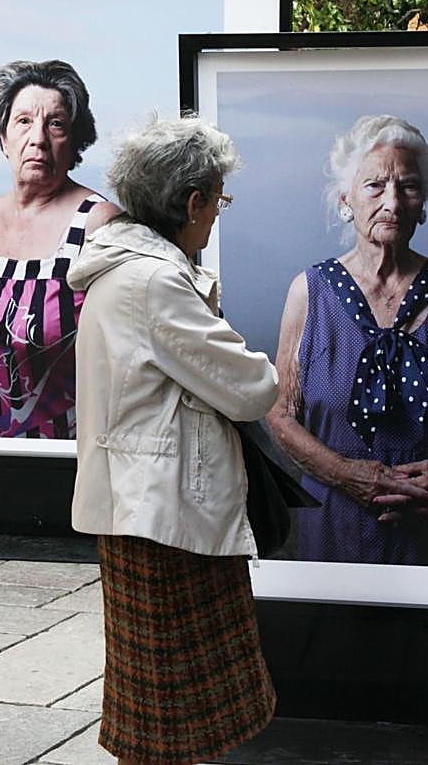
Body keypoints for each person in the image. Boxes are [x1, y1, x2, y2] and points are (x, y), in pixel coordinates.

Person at [69, 116, 279, 765]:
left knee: (157, 712)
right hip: (165, 515)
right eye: (218, 199)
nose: (218, 214)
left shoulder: (124, 270)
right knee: (173, 717)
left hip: (143, 507)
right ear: (191, 202)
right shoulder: (155, 282)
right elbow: (251, 386)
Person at [266, 115, 428, 567]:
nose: (393, 202)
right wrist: (346, 475)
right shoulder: (309, 291)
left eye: (409, 187)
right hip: (334, 528)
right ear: (346, 199)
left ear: (424, 204)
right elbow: (280, 416)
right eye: (375, 186)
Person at [0, 59, 119, 438]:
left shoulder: (97, 222)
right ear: (3, 139)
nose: (37, 138)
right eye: (23, 121)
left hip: (73, 458)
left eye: (55, 124)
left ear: (74, 141)